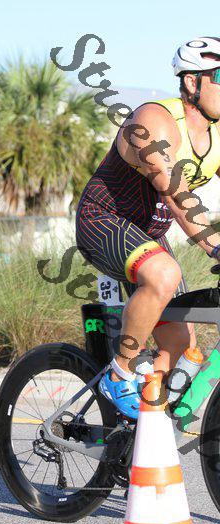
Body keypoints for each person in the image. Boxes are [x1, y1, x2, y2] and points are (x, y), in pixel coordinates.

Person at [75, 37, 220, 420]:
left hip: (148, 237)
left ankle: (137, 430)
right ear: (192, 82)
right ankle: (120, 373)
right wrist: (215, 246)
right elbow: (176, 193)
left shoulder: (217, 134)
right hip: (102, 221)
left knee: (181, 348)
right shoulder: (153, 122)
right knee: (163, 273)